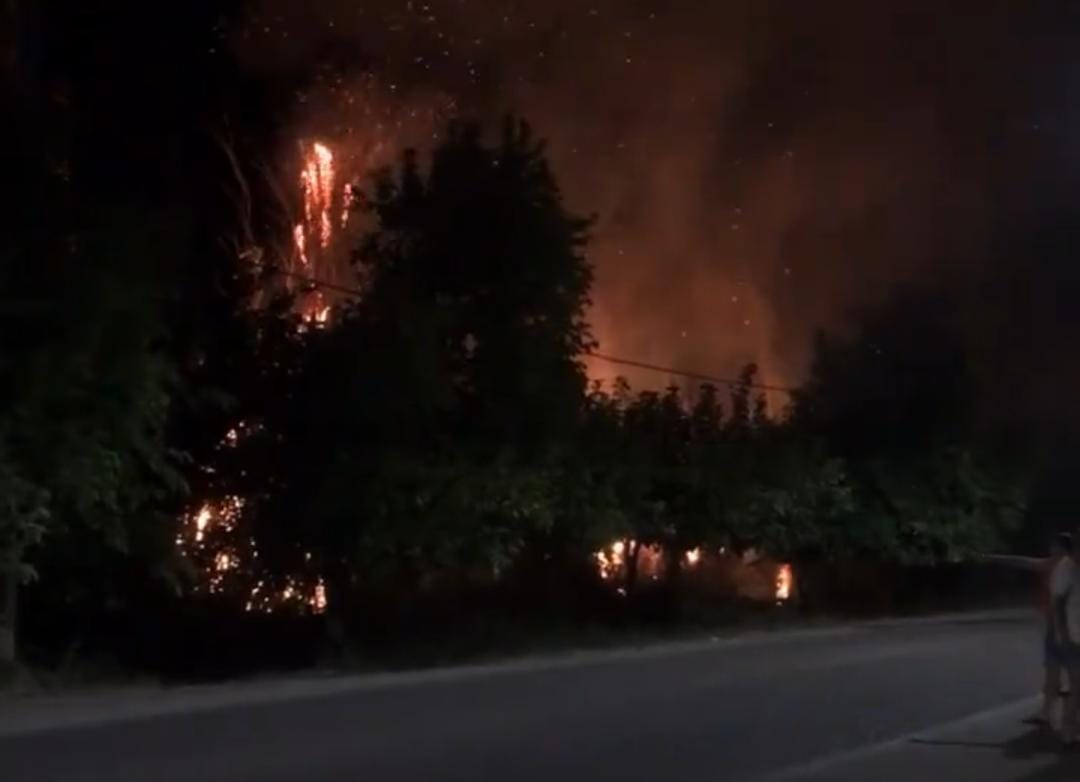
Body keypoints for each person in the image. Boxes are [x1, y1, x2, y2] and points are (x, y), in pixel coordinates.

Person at [982, 532, 1072, 728]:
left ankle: (1052, 716)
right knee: (1054, 672)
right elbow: (1022, 562)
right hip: (1059, 625)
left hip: (1063, 626)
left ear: (1060, 547)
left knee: (1058, 672)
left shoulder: (1057, 564)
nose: (1050, 548)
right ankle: (1047, 714)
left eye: (1053, 545)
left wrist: (991, 557)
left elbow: (1022, 562)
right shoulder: (1060, 564)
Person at [1051, 533, 1080, 747]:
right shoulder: (1066, 568)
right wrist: (1062, 635)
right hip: (1074, 637)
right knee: (1077, 685)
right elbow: (1058, 603)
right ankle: (1068, 731)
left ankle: (1070, 729)